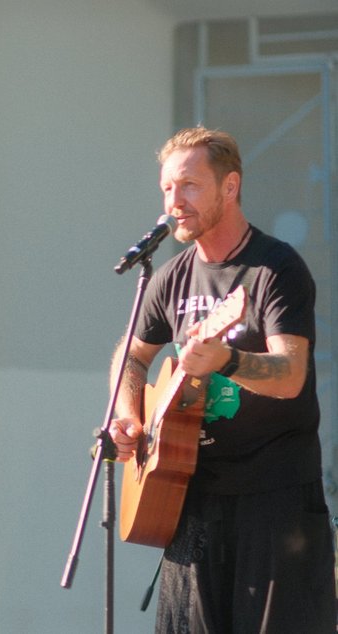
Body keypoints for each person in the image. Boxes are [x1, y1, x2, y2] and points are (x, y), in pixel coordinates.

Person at [109, 127, 335, 632]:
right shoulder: (169, 276)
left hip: (274, 501)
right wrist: (129, 419)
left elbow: (291, 375)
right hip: (188, 499)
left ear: (229, 187)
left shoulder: (274, 269)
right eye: (168, 188)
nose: (174, 201)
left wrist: (226, 360)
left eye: (188, 185)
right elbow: (131, 358)